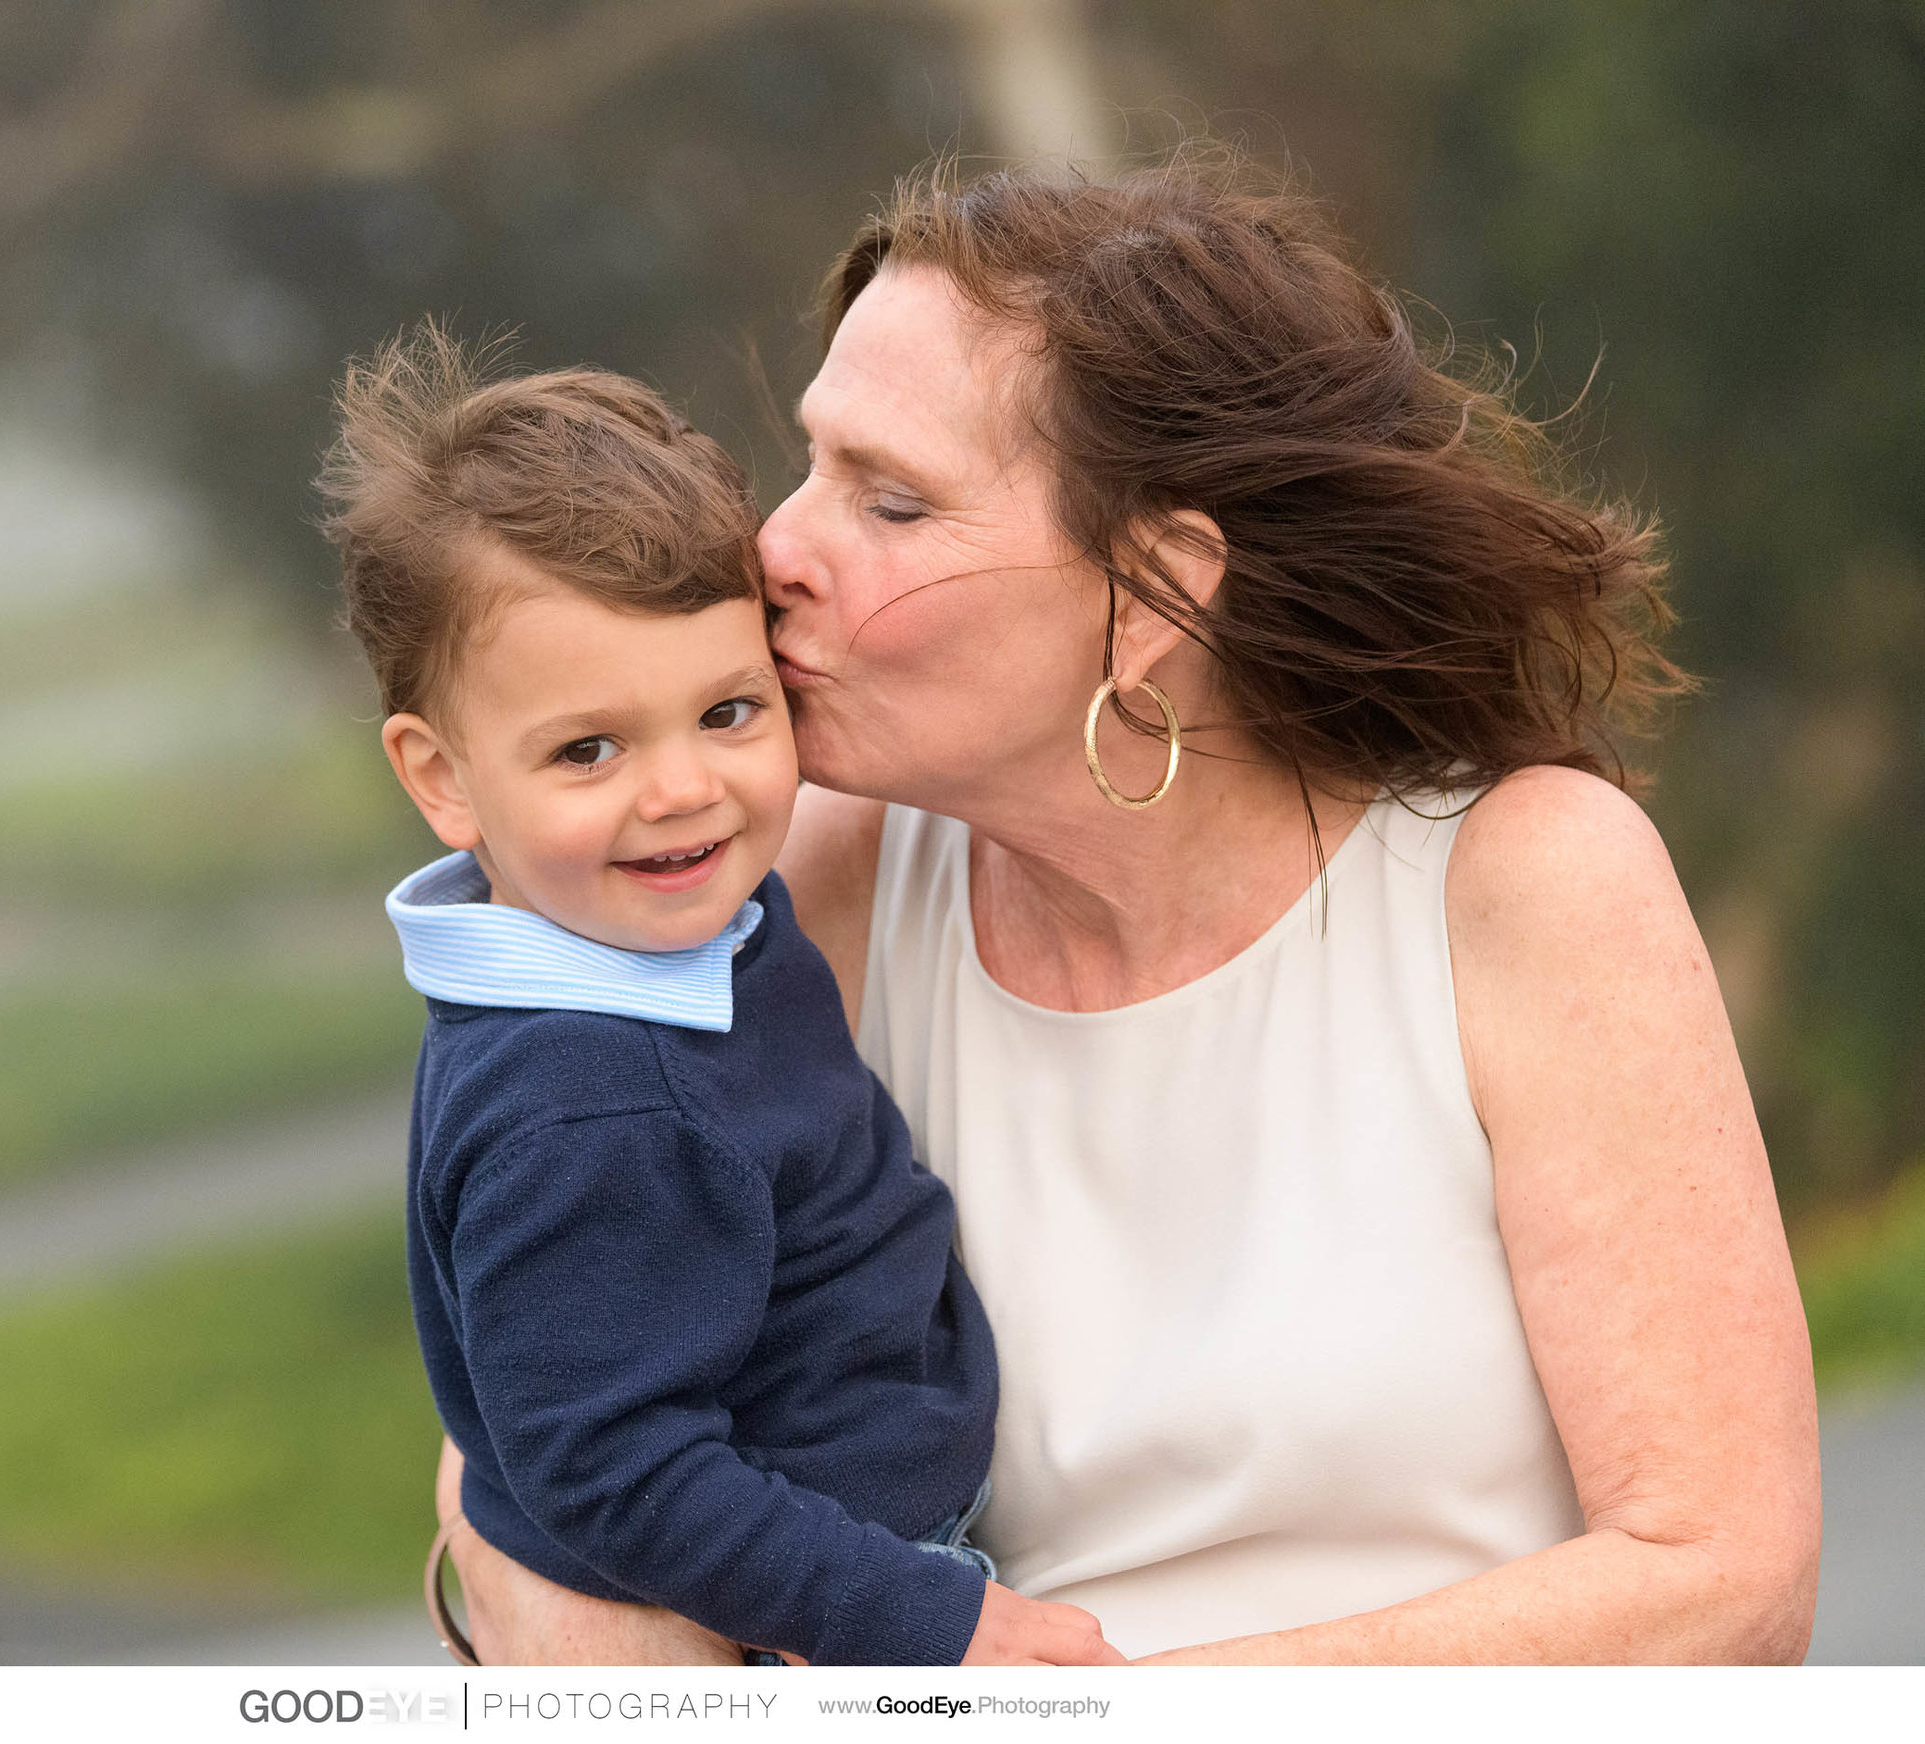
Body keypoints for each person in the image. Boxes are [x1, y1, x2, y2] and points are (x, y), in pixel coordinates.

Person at [436, 155, 1823, 1664]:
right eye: (810, 463)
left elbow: (1722, 1579)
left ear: (1156, 593)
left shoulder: (1523, 879)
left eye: (891, 502)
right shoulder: (795, 884)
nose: (774, 549)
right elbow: (535, 1429)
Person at [318, 330, 1123, 1665]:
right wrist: (925, 1622)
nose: (684, 789)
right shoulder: (583, 1103)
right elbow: (611, 1470)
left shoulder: (659, 936)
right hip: (806, 1610)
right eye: (589, 749)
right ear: (443, 779)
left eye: (730, 713)